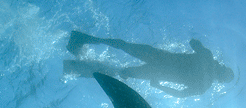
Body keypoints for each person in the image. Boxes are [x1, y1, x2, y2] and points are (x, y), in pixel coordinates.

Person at [64, 30, 235, 97]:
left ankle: (82, 39)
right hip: (157, 73)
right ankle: (76, 67)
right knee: (122, 71)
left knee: (125, 46)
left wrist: (196, 43)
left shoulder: (207, 56)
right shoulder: (204, 86)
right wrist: (159, 86)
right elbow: (180, 95)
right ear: (220, 80)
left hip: (160, 57)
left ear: (223, 68)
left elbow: (193, 42)